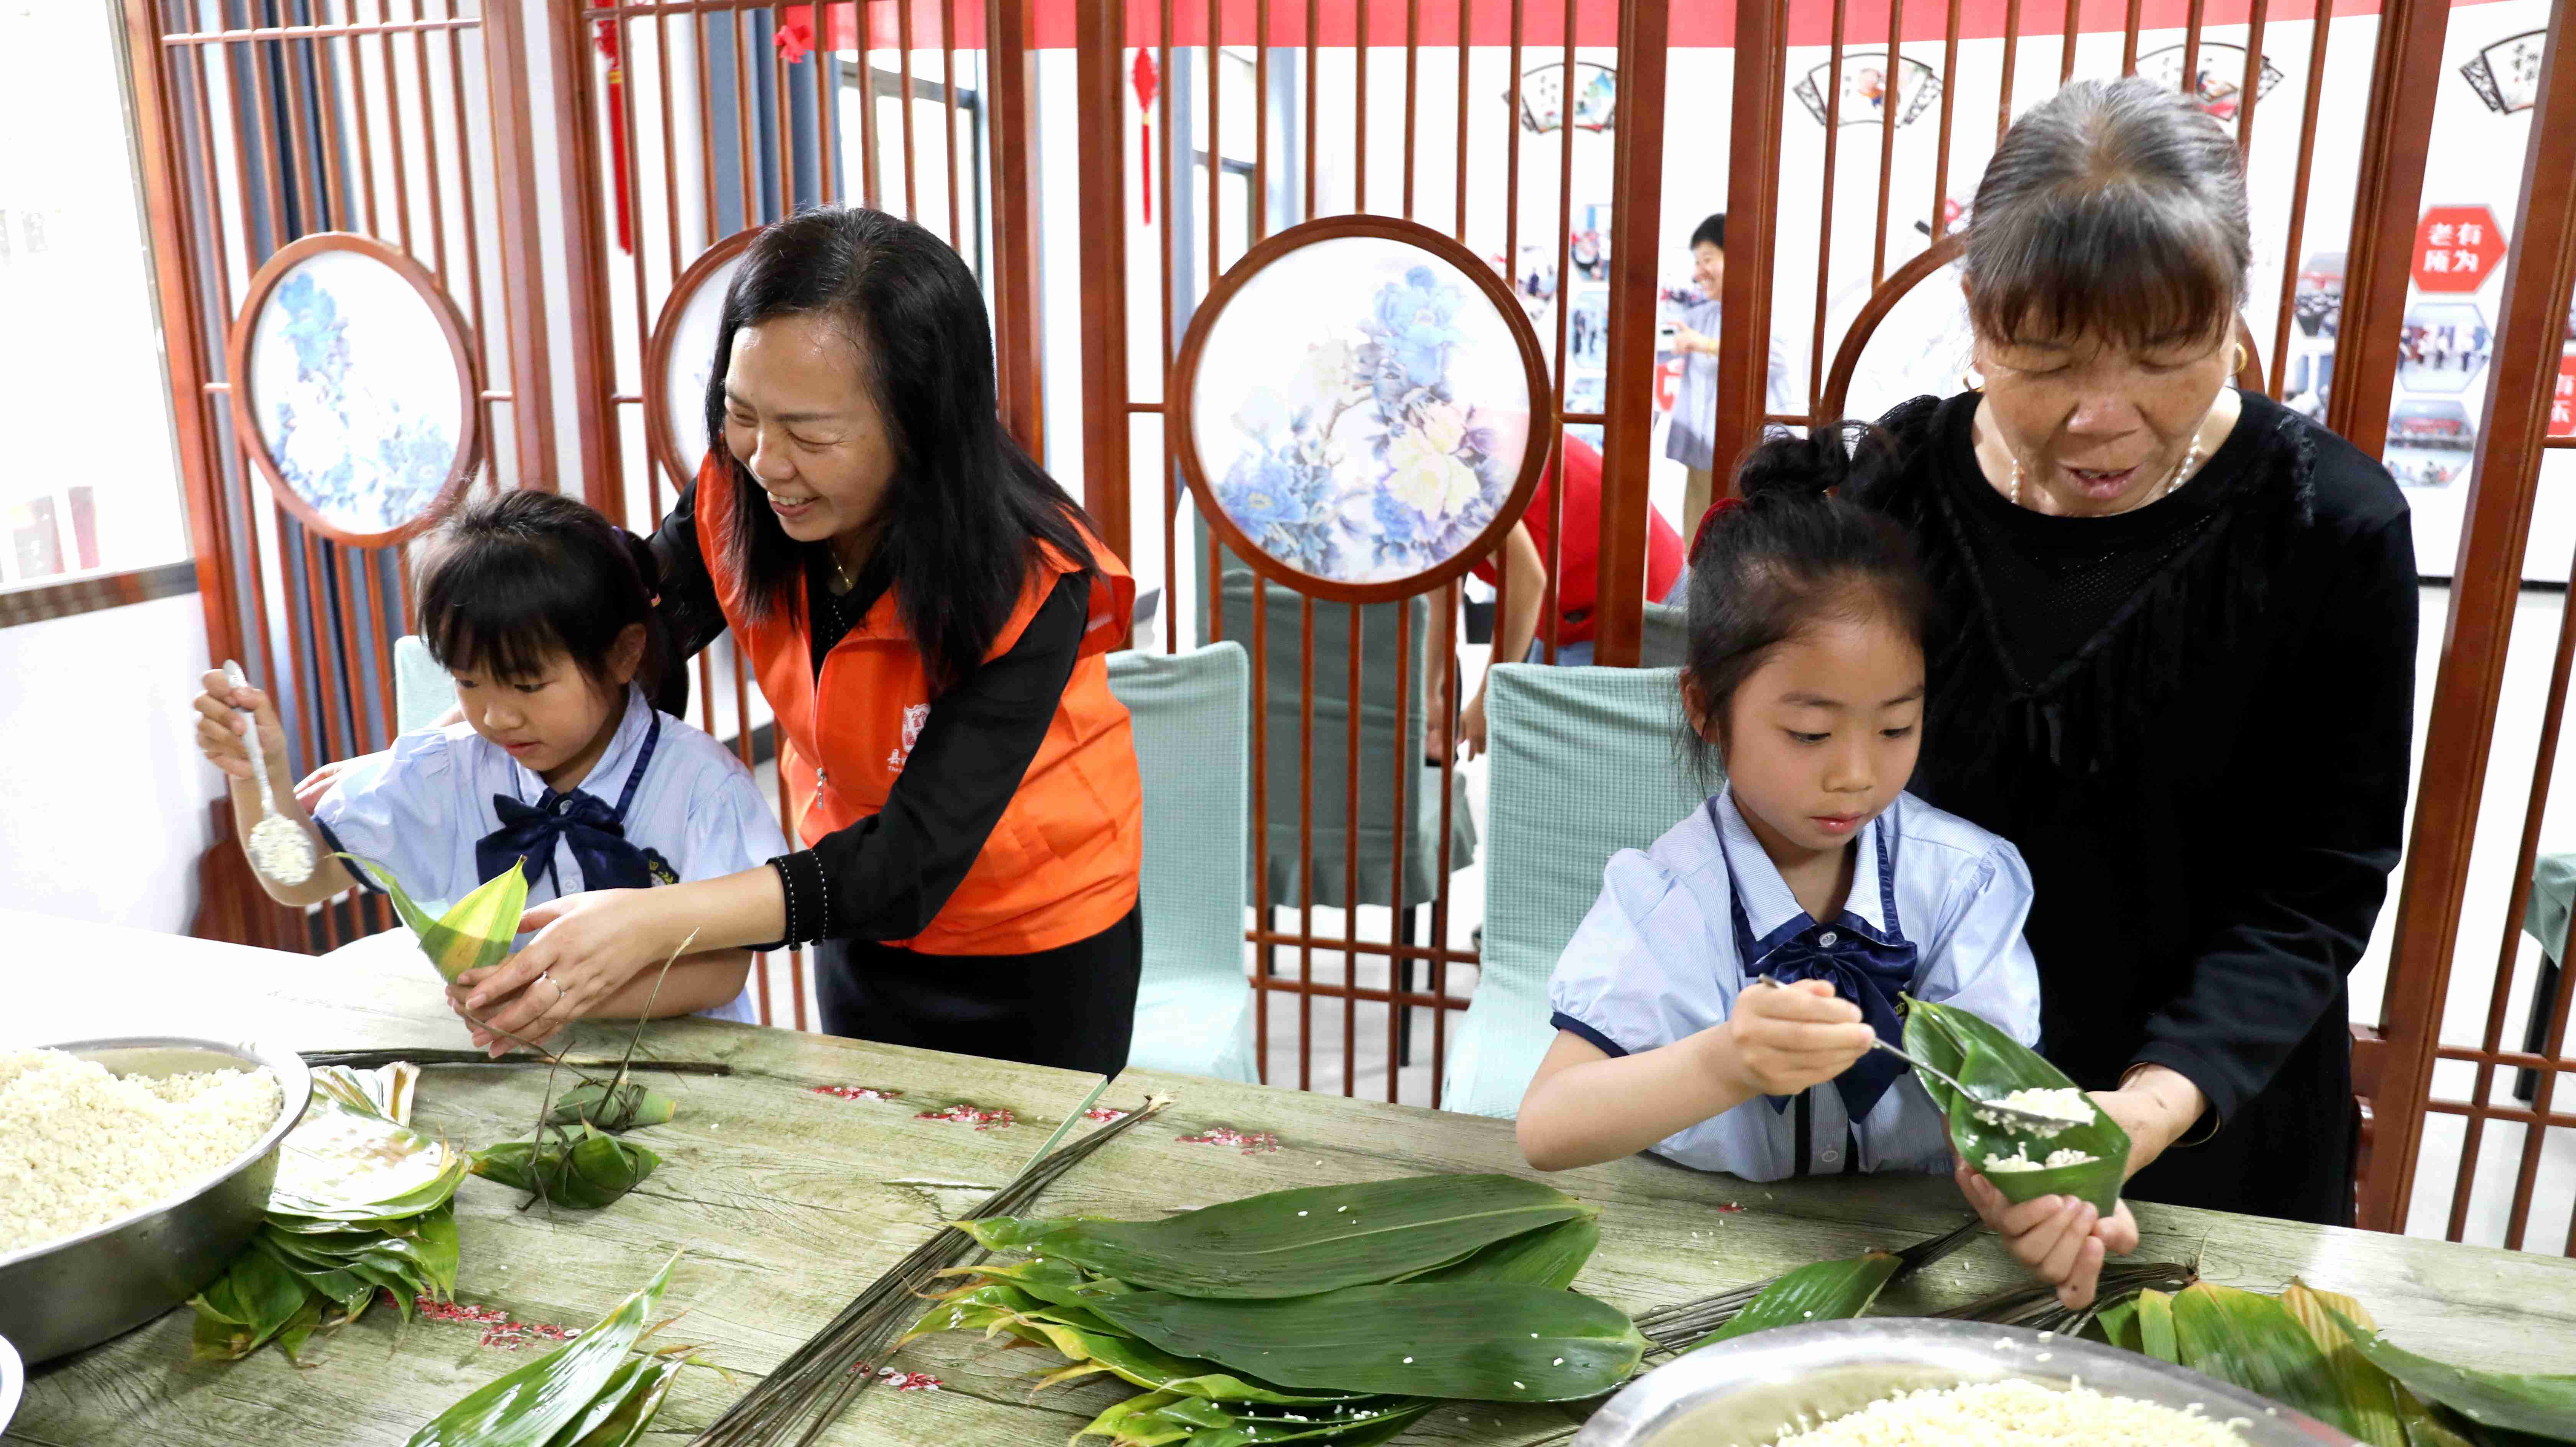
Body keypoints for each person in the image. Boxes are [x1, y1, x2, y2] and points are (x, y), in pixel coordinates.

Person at [1847, 78, 2416, 1290]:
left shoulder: (2330, 525)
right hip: (1929, 1123)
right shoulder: (1889, 498)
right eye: (2041, 356)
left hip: (2214, 1135)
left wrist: (2141, 1111)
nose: (2100, 418)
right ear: (1976, 315)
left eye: (2165, 355)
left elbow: (2317, 887)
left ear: (2231, 317)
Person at [449, 207, 1146, 1073]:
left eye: (811, 434)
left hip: (1038, 938)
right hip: (846, 908)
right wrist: (502, 696)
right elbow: (626, 624)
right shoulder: (743, 491)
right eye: (742, 414)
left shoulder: (1032, 581)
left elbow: (910, 861)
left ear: (921, 421)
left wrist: (657, 922)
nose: (766, 460)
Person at [1515, 427, 2048, 1206]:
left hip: (1911, 1249)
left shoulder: (1964, 881)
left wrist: (2033, 1202)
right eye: (1810, 733)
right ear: (1706, 707)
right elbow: (1548, 1127)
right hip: (1704, 1240)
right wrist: (1724, 1062)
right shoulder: (1670, 900)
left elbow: (2002, 1116)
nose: (1857, 774)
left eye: (1897, 726)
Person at [192, 490, 782, 1032]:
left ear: (625, 653)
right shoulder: (441, 774)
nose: (497, 718)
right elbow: (300, 878)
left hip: (689, 1072)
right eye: (469, 682)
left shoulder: (703, 785)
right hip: (505, 1069)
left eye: (527, 686)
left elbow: (721, 970)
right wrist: (259, 777)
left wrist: (548, 1001)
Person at [1453, 433, 1689, 755]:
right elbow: (1441, 586)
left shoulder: (1457, 472)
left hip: (1635, 600)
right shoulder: (1445, 447)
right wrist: (1432, 698)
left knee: (1572, 760)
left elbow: (1528, 581)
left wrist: (1485, 698)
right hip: (1576, 602)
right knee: (1533, 740)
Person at [1667, 213, 1795, 530]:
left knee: (1756, 555)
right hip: (1705, 460)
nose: (1698, 273)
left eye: (1707, 260)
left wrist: (1706, 345)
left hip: (1758, 463)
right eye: (1696, 262)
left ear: (1737, 257)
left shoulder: (1767, 307)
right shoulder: (1703, 314)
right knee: (1698, 552)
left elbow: (1775, 358)